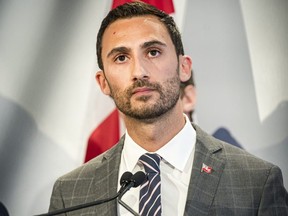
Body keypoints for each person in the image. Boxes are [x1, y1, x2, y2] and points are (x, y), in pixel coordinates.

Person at [48, 2, 288, 215]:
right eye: (121, 58)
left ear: (184, 68)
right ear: (103, 83)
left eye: (153, 52)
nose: (139, 72)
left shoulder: (256, 181)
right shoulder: (70, 193)